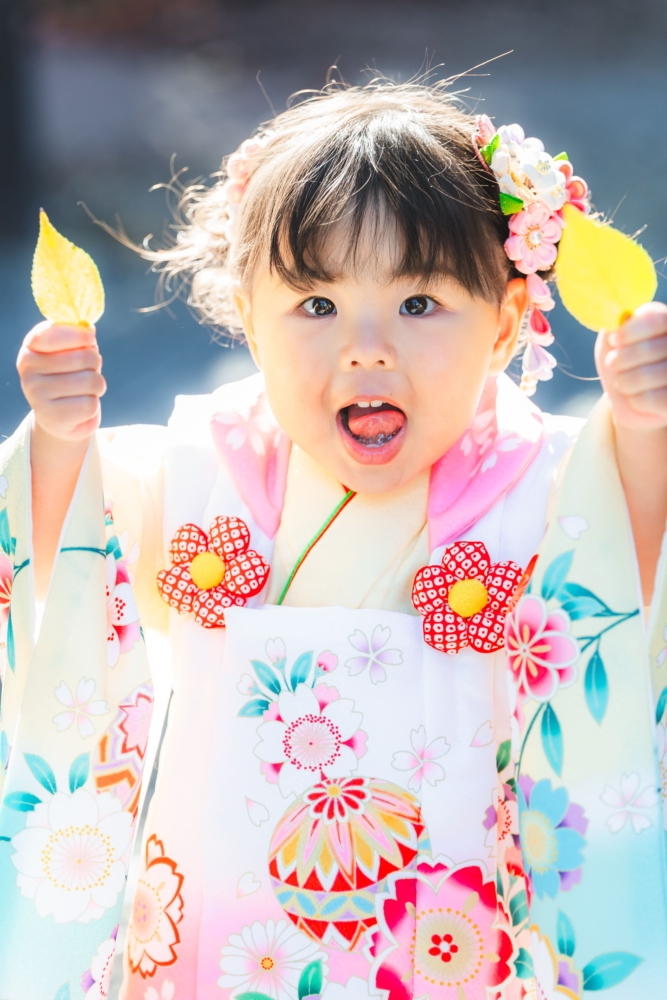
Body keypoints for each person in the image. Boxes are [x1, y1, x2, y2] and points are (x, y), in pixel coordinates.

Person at [1, 79, 667, 1000]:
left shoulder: (548, 488)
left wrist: (640, 429)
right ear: (247, 312)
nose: (365, 347)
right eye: (314, 305)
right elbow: (62, 564)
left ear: (507, 320)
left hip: (453, 955)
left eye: (420, 303)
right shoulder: (199, 473)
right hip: (224, 956)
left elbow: (628, 584)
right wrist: (58, 443)